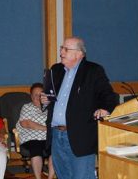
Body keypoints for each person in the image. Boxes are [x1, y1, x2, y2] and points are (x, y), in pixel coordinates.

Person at [41, 37, 118, 179]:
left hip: (80, 136)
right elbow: (50, 97)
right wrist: (45, 101)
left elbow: (109, 96)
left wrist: (105, 109)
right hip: (57, 135)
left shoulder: (93, 71)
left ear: (79, 54)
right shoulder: (56, 70)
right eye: (61, 48)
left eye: (66, 49)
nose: (61, 52)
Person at [16, 83, 55, 179]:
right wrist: (46, 128)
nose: (38, 97)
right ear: (31, 96)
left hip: (48, 138)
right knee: (36, 148)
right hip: (31, 138)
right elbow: (25, 123)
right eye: (35, 95)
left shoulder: (51, 108)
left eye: (41, 94)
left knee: (56, 150)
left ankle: (50, 177)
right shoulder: (27, 107)